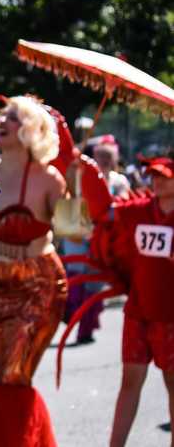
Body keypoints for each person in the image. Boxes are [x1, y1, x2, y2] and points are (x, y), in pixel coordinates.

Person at [0, 95, 67, 447]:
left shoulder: (49, 178)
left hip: (38, 286)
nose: (2, 121)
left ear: (30, 129)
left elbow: (77, 229)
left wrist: (77, 186)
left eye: (12, 117)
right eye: (2, 115)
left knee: (13, 379)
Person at [88, 155, 174, 447]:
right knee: (129, 382)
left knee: (173, 386)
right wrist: (83, 169)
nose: (157, 180)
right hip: (137, 312)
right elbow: (105, 213)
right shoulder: (138, 210)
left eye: (164, 175)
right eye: (154, 175)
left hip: (170, 317)